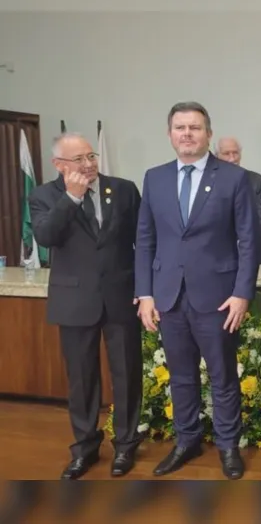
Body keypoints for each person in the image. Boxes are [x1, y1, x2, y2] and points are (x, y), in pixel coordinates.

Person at [135, 101, 260, 479]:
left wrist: (242, 293)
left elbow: (249, 241)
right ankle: (186, 441)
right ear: (170, 134)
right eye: (179, 127)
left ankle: (227, 446)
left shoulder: (234, 178)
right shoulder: (154, 178)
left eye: (194, 127)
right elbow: (145, 238)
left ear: (208, 133)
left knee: (223, 376)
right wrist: (145, 293)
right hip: (169, 296)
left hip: (219, 297)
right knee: (181, 376)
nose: (186, 134)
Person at [28, 132, 143, 479]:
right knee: (81, 379)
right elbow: (46, 238)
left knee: (126, 375)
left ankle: (125, 446)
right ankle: (85, 448)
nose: (89, 164)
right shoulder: (43, 195)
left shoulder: (123, 189)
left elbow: (143, 240)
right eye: (78, 159)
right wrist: (72, 198)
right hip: (75, 301)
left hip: (121, 296)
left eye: (91, 156)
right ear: (58, 165)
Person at [215, 136, 261, 241]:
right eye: (226, 154)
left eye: (235, 153)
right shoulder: (209, 181)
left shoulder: (256, 180)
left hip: (248, 244)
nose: (232, 158)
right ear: (217, 156)